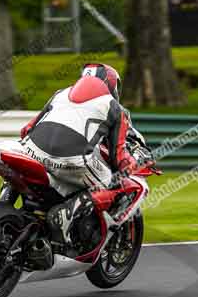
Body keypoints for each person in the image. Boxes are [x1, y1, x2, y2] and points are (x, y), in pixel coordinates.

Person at [19, 63, 138, 246]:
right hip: (72, 161)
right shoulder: (114, 108)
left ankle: (6, 204)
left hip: (31, 150)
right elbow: (117, 156)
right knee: (116, 183)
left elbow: (27, 129)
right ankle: (65, 215)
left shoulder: (59, 94)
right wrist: (131, 165)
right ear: (111, 84)